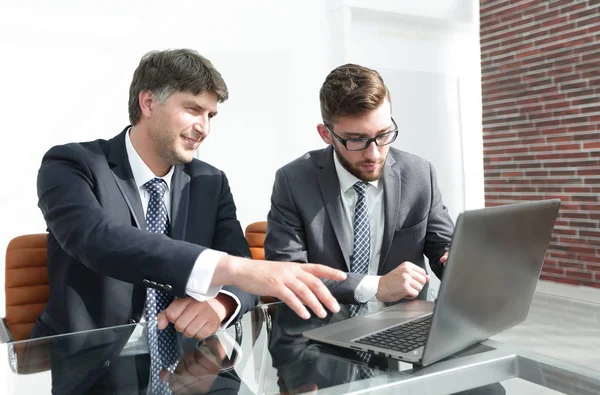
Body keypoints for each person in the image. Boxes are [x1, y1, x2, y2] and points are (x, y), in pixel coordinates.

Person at [31, 49, 345, 393]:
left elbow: (239, 269)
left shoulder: (210, 181)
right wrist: (235, 269)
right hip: (97, 372)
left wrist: (221, 302)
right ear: (148, 102)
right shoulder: (72, 165)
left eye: (211, 114)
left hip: (195, 368)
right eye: (193, 109)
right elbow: (98, 239)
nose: (204, 128)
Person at [265, 63, 454, 307]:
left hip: (404, 327)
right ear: (326, 134)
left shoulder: (420, 174)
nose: (374, 154)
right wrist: (376, 287)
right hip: (324, 331)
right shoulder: (293, 181)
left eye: (383, 134)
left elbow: (444, 249)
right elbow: (288, 274)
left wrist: (458, 264)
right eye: (357, 140)